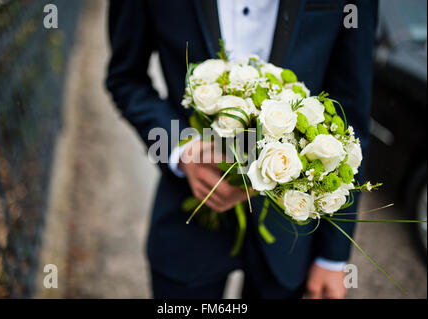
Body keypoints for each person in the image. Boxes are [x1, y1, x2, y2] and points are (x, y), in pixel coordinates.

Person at [106, 0, 378, 299]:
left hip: (289, 238)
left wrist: (332, 257)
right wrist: (179, 149)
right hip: (188, 221)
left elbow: (349, 115)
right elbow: (126, 78)